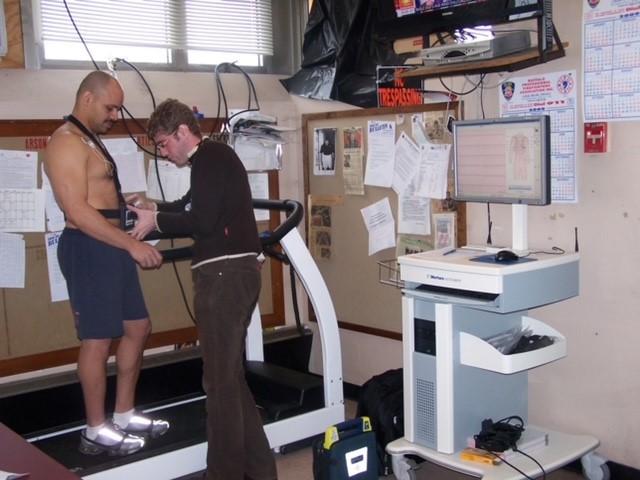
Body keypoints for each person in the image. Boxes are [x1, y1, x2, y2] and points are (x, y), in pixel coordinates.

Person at [128, 98, 278, 480]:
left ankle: (222, 475)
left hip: (224, 275)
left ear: (182, 132)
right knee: (230, 379)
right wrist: (153, 209)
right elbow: (186, 205)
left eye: (164, 144)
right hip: (231, 274)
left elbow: (201, 218)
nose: (163, 153)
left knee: (218, 383)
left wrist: (156, 221)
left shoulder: (211, 156)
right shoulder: (209, 161)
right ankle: (261, 471)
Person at [43, 71, 169, 456]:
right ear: (87, 99)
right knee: (97, 340)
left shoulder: (89, 140)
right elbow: (78, 211)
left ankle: (125, 414)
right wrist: (131, 247)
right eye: (110, 106)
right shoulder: (64, 142)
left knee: (137, 327)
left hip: (109, 244)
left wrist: (123, 203)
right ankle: (96, 429)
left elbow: (94, 197)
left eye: (118, 107)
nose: (115, 114)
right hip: (89, 246)